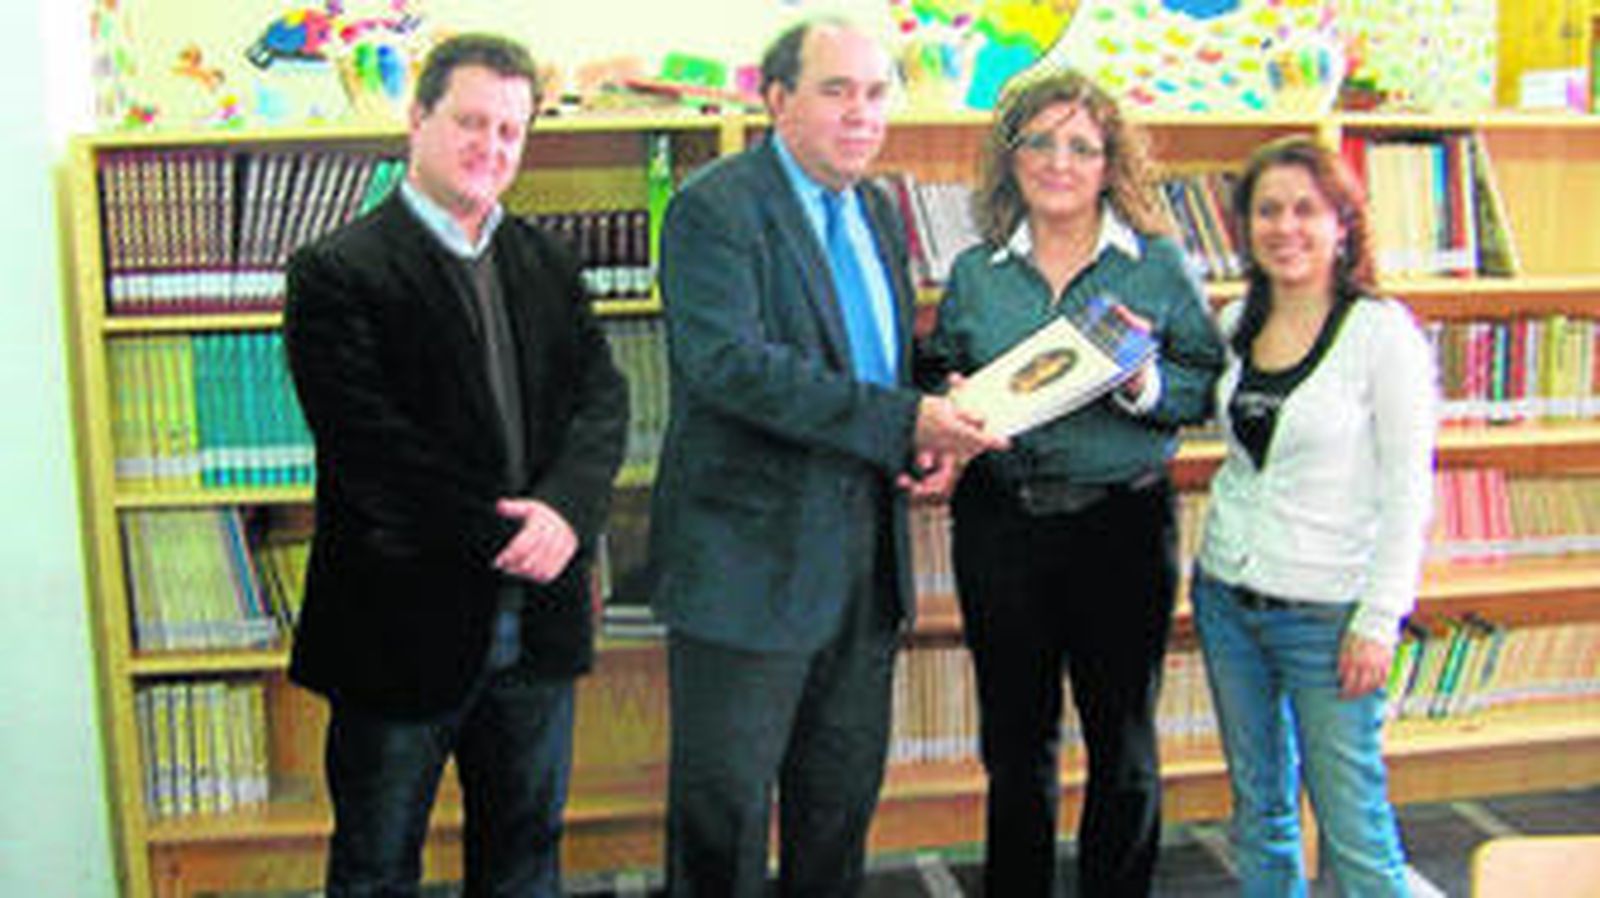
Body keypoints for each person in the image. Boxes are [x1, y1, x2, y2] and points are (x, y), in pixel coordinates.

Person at [649, 17, 1007, 897]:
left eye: (876, 93)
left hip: (863, 568)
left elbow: (871, 359)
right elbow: (732, 368)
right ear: (776, 100)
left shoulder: (878, 209)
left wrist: (941, 403)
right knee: (723, 817)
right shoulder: (714, 207)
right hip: (750, 573)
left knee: (837, 806)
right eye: (836, 90)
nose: (861, 114)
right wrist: (905, 419)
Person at [282, 33, 629, 897]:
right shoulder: (338, 270)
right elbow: (371, 448)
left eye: (511, 131)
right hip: (401, 624)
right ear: (417, 119)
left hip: (538, 624)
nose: (492, 148)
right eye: (471, 122)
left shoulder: (545, 260)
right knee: (376, 859)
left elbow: (603, 401)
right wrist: (507, 535)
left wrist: (565, 516)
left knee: (524, 853)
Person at [919, 68, 1225, 896]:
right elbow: (946, 365)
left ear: (1110, 163)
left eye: (1082, 147)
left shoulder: (1155, 266)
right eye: (1041, 142)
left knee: (1122, 745)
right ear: (1010, 157)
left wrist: (1143, 386)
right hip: (1001, 528)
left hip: (1120, 530)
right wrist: (946, 403)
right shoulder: (977, 270)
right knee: (1016, 748)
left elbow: (1203, 382)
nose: (1061, 161)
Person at [1191, 135, 1435, 896]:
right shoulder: (1236, 322)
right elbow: (1215, 428)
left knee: (1353, 825)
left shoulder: (1381, 334)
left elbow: (1409, 490)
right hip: (1228, 599)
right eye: (1267, 211)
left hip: (1330, 618)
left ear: (1343, 224)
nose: (1285, 228)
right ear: (1245, 226)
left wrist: (1380, 617)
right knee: (1259, 812)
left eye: (1306, 210)